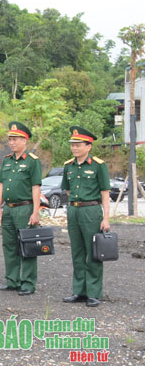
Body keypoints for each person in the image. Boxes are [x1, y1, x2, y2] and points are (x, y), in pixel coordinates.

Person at [61, 126, 111, 308]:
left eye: (78, 144)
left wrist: (106, 218)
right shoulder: (68, 166)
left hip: (91, 210)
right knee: (77, 252)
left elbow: (105, 193)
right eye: (72, 144)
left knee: (93, 253)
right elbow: (67, 189)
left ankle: (93, 293)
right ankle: (79, 291)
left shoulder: (98, 165)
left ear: (88, 146)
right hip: (74, 210)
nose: (74, 148)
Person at [0, 121, 42, 296]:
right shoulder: (7, 160)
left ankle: (27, 282)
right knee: (9, 245)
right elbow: (1, 185)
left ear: (24, 140)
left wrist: (35, 212)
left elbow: (36, 188)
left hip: (24, 208)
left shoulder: (32, 161)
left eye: (15, 139)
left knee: (27, 245)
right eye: (10, 139)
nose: (12, 142)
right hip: (8, 208)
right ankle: (12, 280)